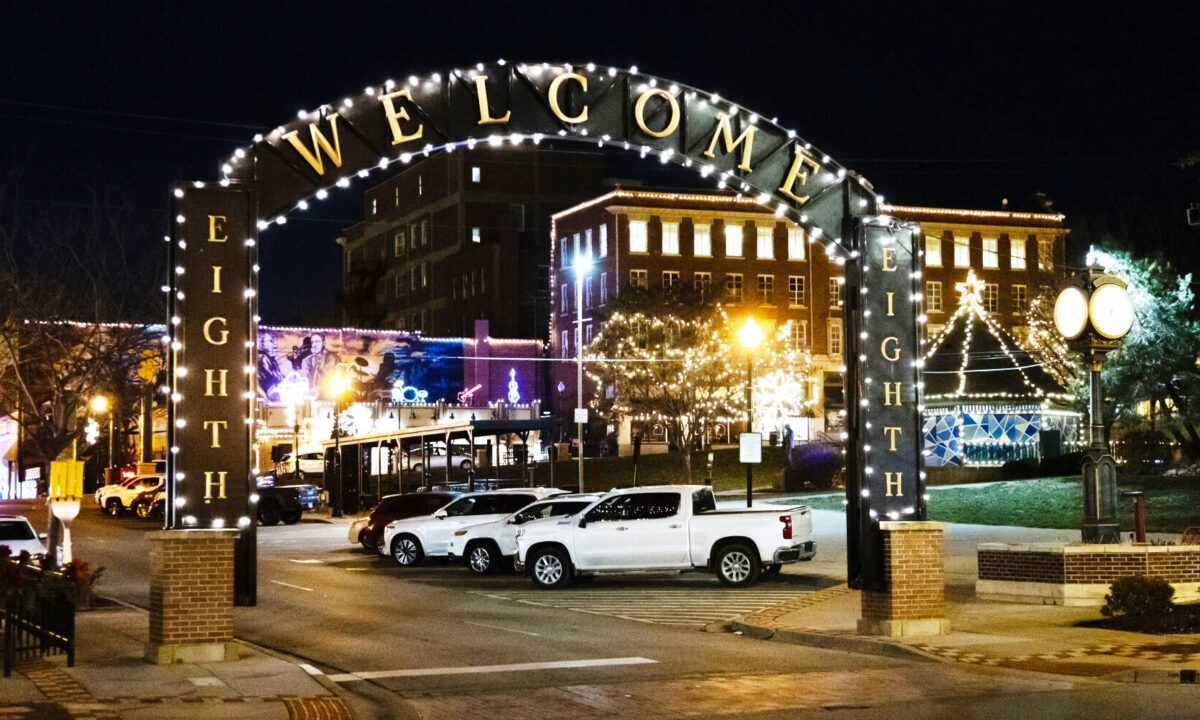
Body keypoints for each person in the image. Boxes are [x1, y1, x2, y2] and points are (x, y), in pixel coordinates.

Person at [301, 333, 340, 397]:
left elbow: (331, 376)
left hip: (328, 394)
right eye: (312, 342)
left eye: (317, 341)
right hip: (311, 395)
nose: (314, 344)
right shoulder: (306, 360)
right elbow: (304, 378)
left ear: (323, 343)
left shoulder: (332, 358)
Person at [257, 333, 284, 401]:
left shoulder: (273, 362)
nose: (275, 345)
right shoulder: (261, 362)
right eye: (271, 341)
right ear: (261, 344)